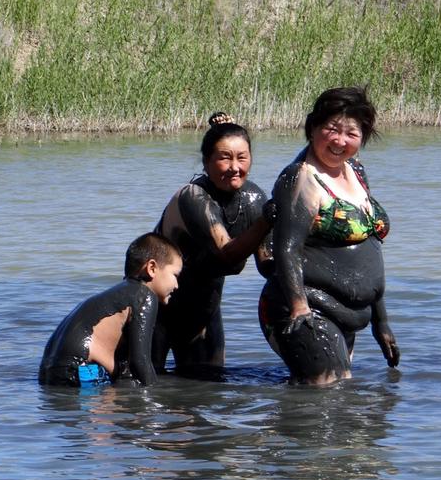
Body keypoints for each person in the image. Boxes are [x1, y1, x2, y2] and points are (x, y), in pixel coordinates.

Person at [258, 86, 400, 385]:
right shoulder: (301, 178)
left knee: (336, 407)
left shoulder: (356, 171)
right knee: (327, 396)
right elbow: (287, 249)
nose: (339, 141)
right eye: (331, 129)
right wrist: (300, 309)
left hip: (348, 312)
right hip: (305, 307)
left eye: (351, 133)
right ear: (312, 129)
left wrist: (381, 321)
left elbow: (371, 245)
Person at [152, 112, 273, 376]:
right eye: (224, 158)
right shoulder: (194, 197)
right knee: (145, 390)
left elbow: (267, 265)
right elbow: (228, 257)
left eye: (242, 157)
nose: (234, 167)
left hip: (203, 308)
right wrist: (266, 222)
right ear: (206, 163)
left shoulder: (254, 198)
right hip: (157, 307)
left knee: (206, 390)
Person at [38, 232, 183, 387]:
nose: (177, 285)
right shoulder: (144, 295)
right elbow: (140, 361)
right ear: (152, 268)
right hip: (77, 372)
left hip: (49, 372)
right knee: (140, 389)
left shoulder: (120, 294)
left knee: (127, 377)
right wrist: (158, 395)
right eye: (175, 275)